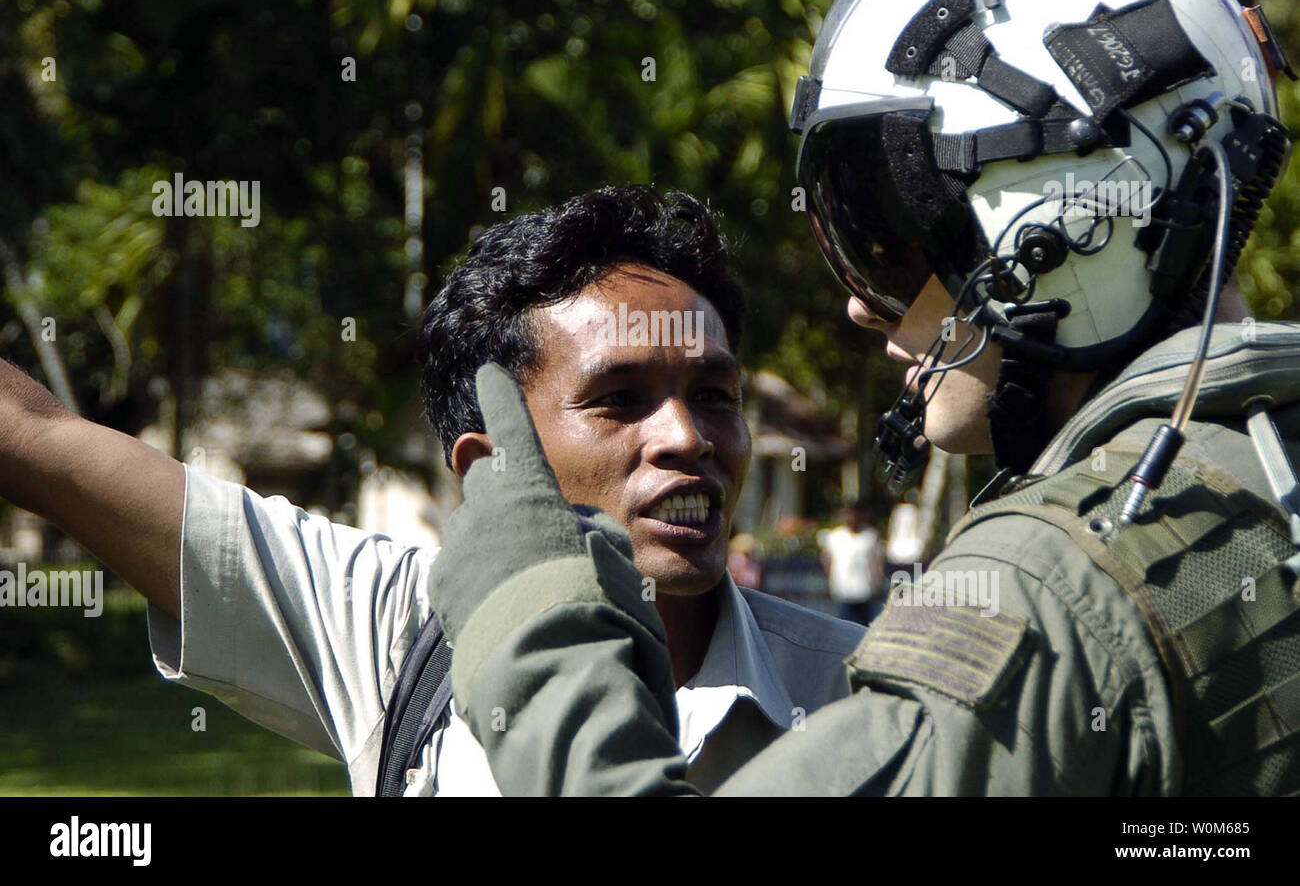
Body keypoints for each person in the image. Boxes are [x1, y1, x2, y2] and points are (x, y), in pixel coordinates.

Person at [424, 0, 1300, 795]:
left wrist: (533, 618)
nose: (859, 305)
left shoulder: (1058, 589)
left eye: (885, 241)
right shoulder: (1261, 472)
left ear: (1061, 234)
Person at [0, 185, 864, 796]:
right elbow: (38, 438)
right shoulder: (400, 629)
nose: (687, 438)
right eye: (619, 400)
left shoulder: (859, 702)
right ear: (493, 466)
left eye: (715, 396)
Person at [817, 503, 883, 623]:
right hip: (842, 590)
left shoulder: (869, 536)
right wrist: (828, 580)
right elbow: (827, 560)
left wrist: (877, 582)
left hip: (864, 591)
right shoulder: (835, 536)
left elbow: (876, 562)